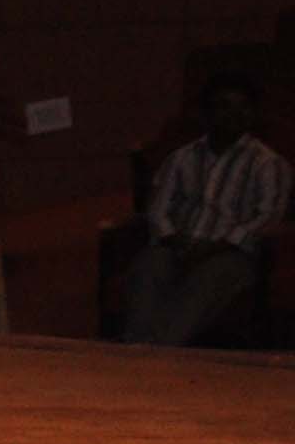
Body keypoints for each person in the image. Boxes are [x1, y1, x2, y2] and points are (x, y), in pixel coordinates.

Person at [119, 76, 287, 346]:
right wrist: (174, 239)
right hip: (177, 244)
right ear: (206, 114)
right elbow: (159, 206)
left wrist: (215, 246)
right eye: (223, 106)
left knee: (206, 281)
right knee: (149, 268)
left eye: (242, 107)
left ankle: (157, 350)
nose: (234, 114)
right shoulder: (182, 158)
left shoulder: (267, 163)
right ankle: (134, 347)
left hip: (231, 253)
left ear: (252, 113)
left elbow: (267, 217)